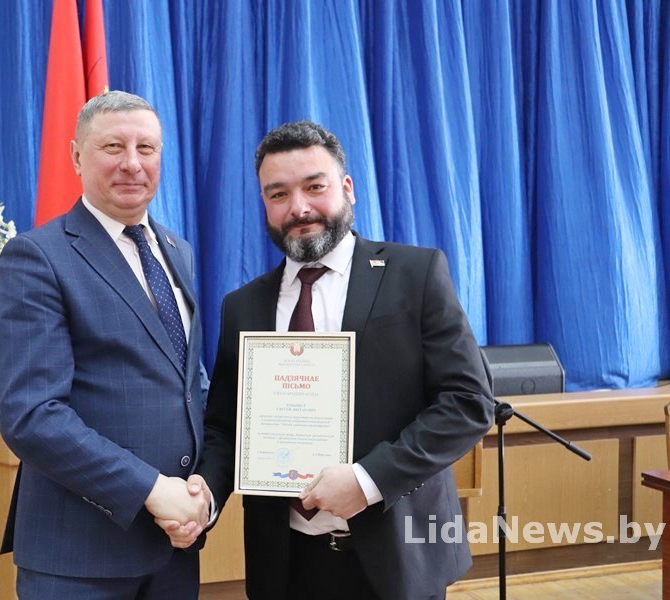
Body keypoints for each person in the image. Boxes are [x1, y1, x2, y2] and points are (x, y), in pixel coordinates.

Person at [176, 121, 495, 599]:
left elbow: (468, 402)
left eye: (314, 187)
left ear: (347, 188)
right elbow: (226, 426)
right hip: (284, 564)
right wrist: (204, 495)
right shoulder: (242, 306)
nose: (299, 208)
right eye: (278, 194)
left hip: (398, 558)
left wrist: (367, 481)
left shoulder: (415, 273)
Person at [0, 90, 209, 599]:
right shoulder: (37, 256)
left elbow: (188, 384)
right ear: (76, 156)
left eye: (146, 148)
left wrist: (202, 493)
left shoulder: (177, 250)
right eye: (113, 147)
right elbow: (31, 414)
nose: (132, 163)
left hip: (175, 548)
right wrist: (151, 490)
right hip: (80, 558)